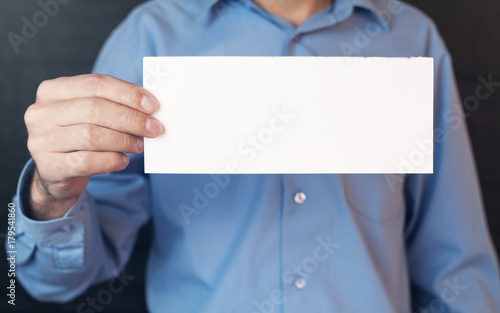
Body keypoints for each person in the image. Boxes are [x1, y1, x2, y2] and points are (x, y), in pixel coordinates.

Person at [10, 0, 500, 312]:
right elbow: (57, 281)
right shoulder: (151, 36)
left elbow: (456, 265)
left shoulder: (413, 40)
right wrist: (52, 195)